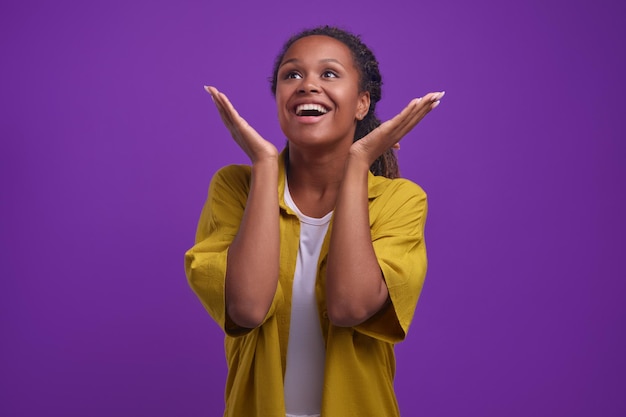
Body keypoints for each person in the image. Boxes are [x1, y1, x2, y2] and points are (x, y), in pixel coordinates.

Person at [185, 25, 444, 417]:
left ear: (361, 104)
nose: (307, 85)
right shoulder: (235, 188)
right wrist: (265, 164)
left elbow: (350, 305)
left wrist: (358, 163)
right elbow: (248, 308)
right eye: (292, 74)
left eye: (329, 74)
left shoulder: (400, 200)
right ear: (278, 99)